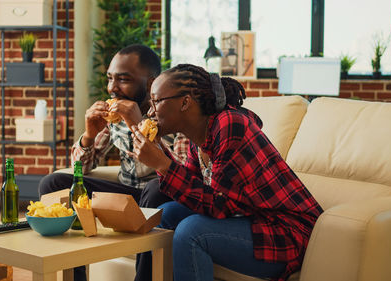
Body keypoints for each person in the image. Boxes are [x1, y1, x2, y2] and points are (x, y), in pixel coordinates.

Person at [130, 64, 323, 281]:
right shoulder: (200, 136)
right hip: (248, 219)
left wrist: (163, 165)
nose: (149, 111)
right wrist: (160, 156)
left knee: (190, 232)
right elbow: (194, 193)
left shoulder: (230, 124)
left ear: (185, 102)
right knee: (163, 215)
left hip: (285, 233)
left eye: (156, 101)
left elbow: (218, 206)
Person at [38, 44, 186, 281]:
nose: (112, 88)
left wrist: (137, 124)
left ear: (150, 83)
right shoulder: (113, 118)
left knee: (155, 188)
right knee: (53, 183)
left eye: (123, 79)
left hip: (160, 196)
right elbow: (82, 169)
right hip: (126, 195)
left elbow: (180, 172)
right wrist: (89, 135)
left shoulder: (172, 115)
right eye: (109, 79)